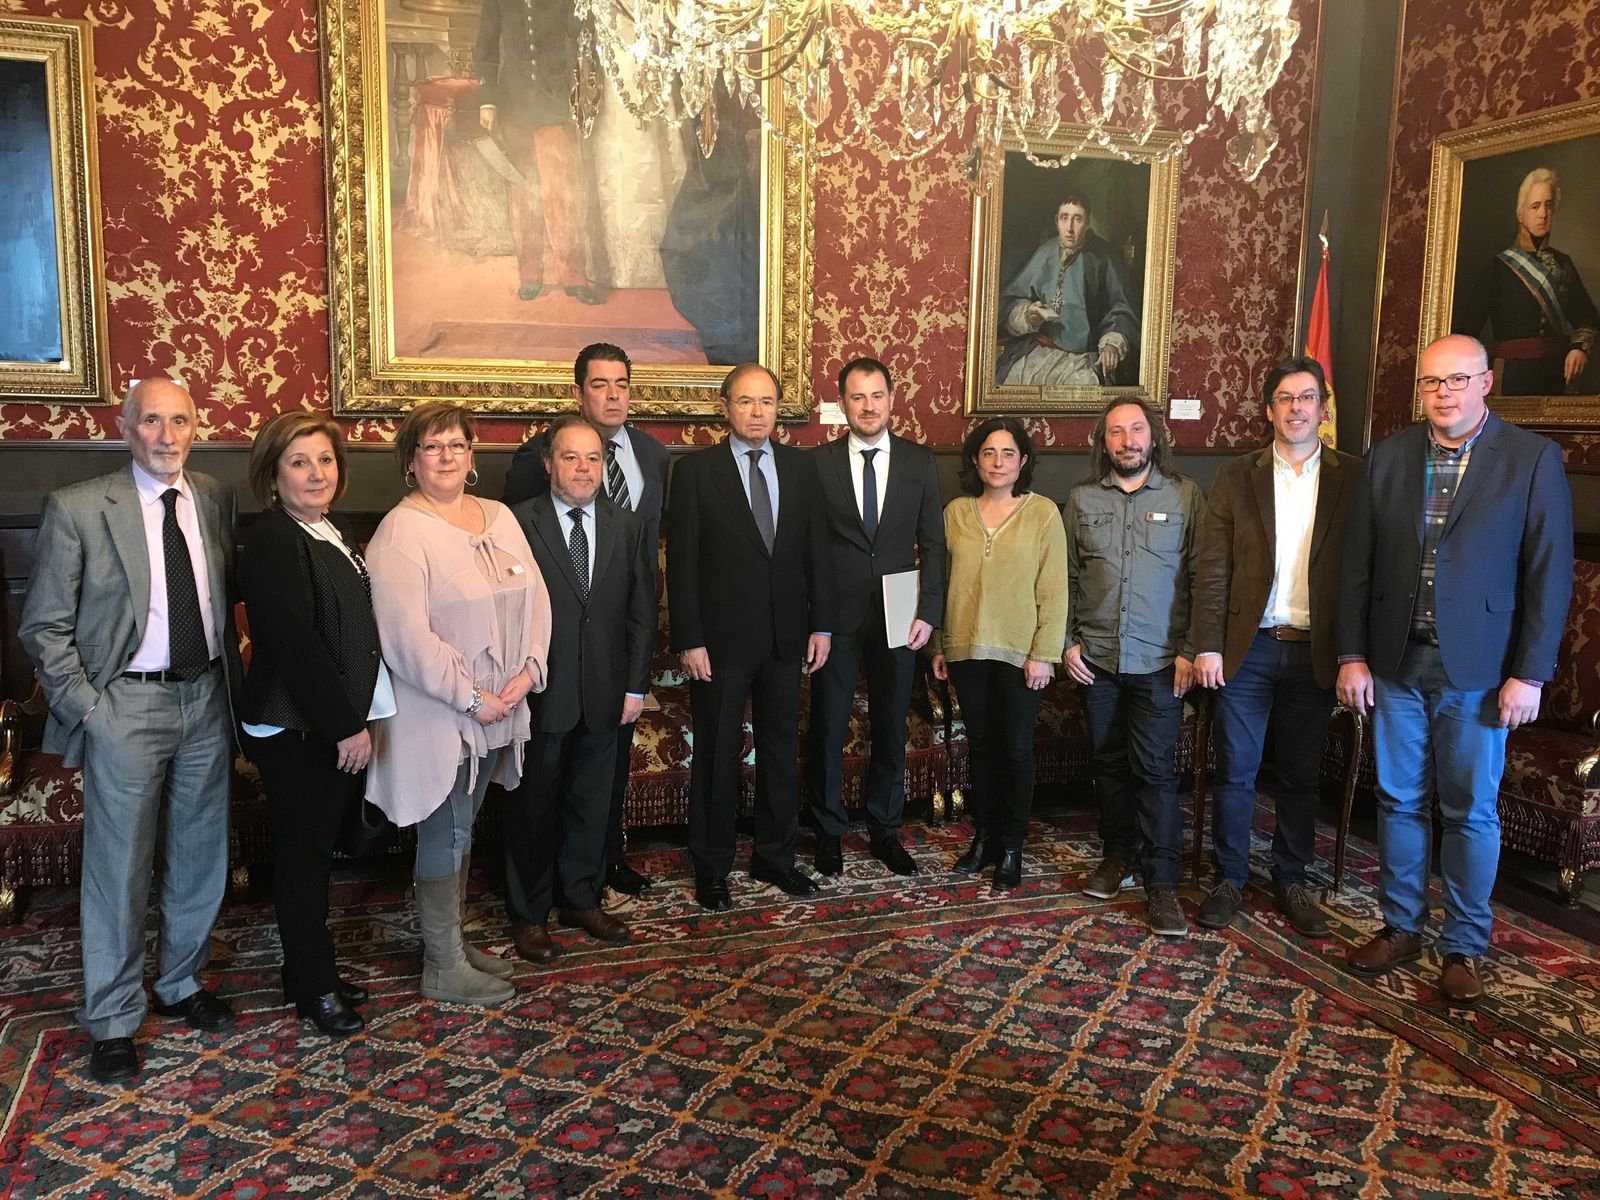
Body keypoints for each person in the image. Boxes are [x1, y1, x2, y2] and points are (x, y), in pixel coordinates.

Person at [1336, 334, 1573, 1006]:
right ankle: (1401, 926)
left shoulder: (1530, 460)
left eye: (1457, 380)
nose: (1444, 393)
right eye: (1432, 382)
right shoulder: (1387, 458)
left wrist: (1529, 674)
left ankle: (1464, 946)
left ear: (1486, 383)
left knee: (1470, 813)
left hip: (1479, 671)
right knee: (1398, 802)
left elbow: (1547, 577)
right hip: (1394, 664)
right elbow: (1357, 568)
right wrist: (1352, 655)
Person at [20, 372, 242, 1083]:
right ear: (125, 428)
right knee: (117, 869)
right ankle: (112, 1018)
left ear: (195, 425)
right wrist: (89, 706)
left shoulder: (213, 497)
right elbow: (44, 624)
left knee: (201, 853)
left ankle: (179, 984)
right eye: (151, 421)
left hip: (206, 698)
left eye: (179, 421)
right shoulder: (80, 507)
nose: (167, 436)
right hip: (125, 708)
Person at [366, 401, 551, 1006]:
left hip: (501, 707)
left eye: (456, 445)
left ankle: (450, 943)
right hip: (440, 716)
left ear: (472, 456)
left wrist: (525, 676)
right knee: (443, 832)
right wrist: (472, 698)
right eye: (431, 447)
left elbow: (538, 602)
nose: (446, 456)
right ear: (410, 461)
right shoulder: (400, 531)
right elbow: (404, 638)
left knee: (463, 829)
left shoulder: (498, 516)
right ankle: (442, 965)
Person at [1188, 358, 1360, 936]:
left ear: (1322, 409)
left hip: (1316, 651)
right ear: (1268, 409)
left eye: (1307, 397)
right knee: (1235, 771)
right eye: (1284, 398)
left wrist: (1353, 654)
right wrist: (1207, 645)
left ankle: (1292, 880)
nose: (1295, 408)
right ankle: (1229, 878)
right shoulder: (1237, 477)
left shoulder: (1352, 478)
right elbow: (1212, 569)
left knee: (1301, 776)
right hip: (1248, 649)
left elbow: (1365, 574)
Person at [239, 412, 392, 1036]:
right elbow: (294, 644)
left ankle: (308, 971)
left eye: (325, 460)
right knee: (303, 860)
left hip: (324, 723)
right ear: (273, 475)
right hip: (296, 726)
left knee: (316, 857)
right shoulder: (276, 536)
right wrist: (344, 726)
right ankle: (314, 986)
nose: (315, 473)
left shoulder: (327, 529)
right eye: (299, 462)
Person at [666, 362, 836, 911]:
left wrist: (822, 624)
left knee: (782, 752)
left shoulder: (802, 469)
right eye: (745, 401)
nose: (757, 412)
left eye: (766, 401)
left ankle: (775, 858)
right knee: (716, 756)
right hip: (718, 642)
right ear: (725, 408)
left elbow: (817, 554)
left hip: (788, 638)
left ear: (777, 408)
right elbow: (683, 566)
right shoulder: (695, 473)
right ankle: (712, 866)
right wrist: (689, 639)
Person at [503, 342, 670, 896]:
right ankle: (535, 896)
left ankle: (599, 870)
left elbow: (644, 575)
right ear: (578, 393)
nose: (613, 393)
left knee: (602, 781)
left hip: (613, 651)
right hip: (549, 666)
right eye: (600, 384)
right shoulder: (532, 467)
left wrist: (634, 675)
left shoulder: (651, 454)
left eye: (621, 383)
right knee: (542, 792)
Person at [1064, 397, 1206, 936]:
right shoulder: (1080, 500)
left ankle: (1162, 884)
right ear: (1104, 442)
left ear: (1154, 437)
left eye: (1137, 430)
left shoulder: (1186, 496)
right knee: (1107, 764)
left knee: (1155, 771)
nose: (1128, 441)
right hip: (1095, 660)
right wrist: (1068, 642)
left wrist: (1191, 651)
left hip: (1160, 662)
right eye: (1117, 433)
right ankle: (1116, 855)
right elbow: (1068, 577)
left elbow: (1199, 578)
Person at [806, 357, 945, 878]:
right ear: (842, 403)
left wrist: (928, 613)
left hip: (900, 610)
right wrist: (815, 618)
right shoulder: (816, 464)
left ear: (892, 400)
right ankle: (828, 831)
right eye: (857, 397)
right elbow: (808, 549)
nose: (868, 406)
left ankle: (885, 829)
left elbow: (933, 544)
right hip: (835, 614)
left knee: (890, 722)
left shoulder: (919, 461)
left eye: (877, 396)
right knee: (828, 724)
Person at [933, 417, 1068, 892]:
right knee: (983, 748)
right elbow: (940, 585)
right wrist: (938, 644)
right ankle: (984, 839)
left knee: (1014, 748)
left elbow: (1054, 590)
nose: (998, 462)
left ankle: (1012, 846)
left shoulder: (1043, 513)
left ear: (1023, 461)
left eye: (1008, 453)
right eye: (989, 452)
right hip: (965, 649)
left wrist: (1044, 654)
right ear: (975, 459)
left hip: (1021, 656)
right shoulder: (954, 513)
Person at [473, 0, 604, 304]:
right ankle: (530, 276)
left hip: (555, 101)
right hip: (513, 103)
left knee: (565, 192)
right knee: (521, 195)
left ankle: (573, 277)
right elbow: (486, 48)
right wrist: (487, 101)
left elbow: (581, 32)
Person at [1453, 166, 1598, 396]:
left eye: (1548, 205)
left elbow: (1587, 319)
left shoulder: (1564, 264)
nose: (1543, 214)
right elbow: (1465, 333)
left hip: (1556, 376)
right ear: (1520, 214)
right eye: (1535, 206)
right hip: (1511, 376)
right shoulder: (1498, 267)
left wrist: (1579, 349)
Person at [996, 192, 1140, 387]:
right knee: (1014, 381)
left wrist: (1111, 344)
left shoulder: (1104, 257)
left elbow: (1122, 308)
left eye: (1077, 219)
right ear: (1057, 221)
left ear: (1088, 223)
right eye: (1065, 218)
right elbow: (1012, 299)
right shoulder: (1045, 252)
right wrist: (1028, 315)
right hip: (1039, 348)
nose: (1070, 228)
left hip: (1083, 357)